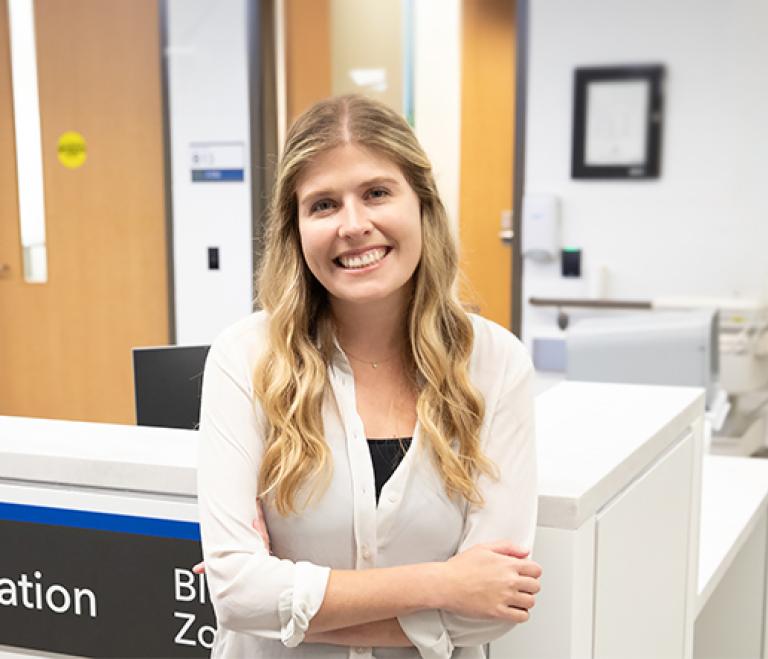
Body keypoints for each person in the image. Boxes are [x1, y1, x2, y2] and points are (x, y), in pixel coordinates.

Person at [196, 94, 541, 659]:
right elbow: (235, 595)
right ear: (297, 228)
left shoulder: (495, 364)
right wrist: (446, 584)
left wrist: (289, 605)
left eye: (377, 193)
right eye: (323, 205)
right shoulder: (245, 357)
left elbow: (494, 611)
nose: (354, 226)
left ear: (423, 205)